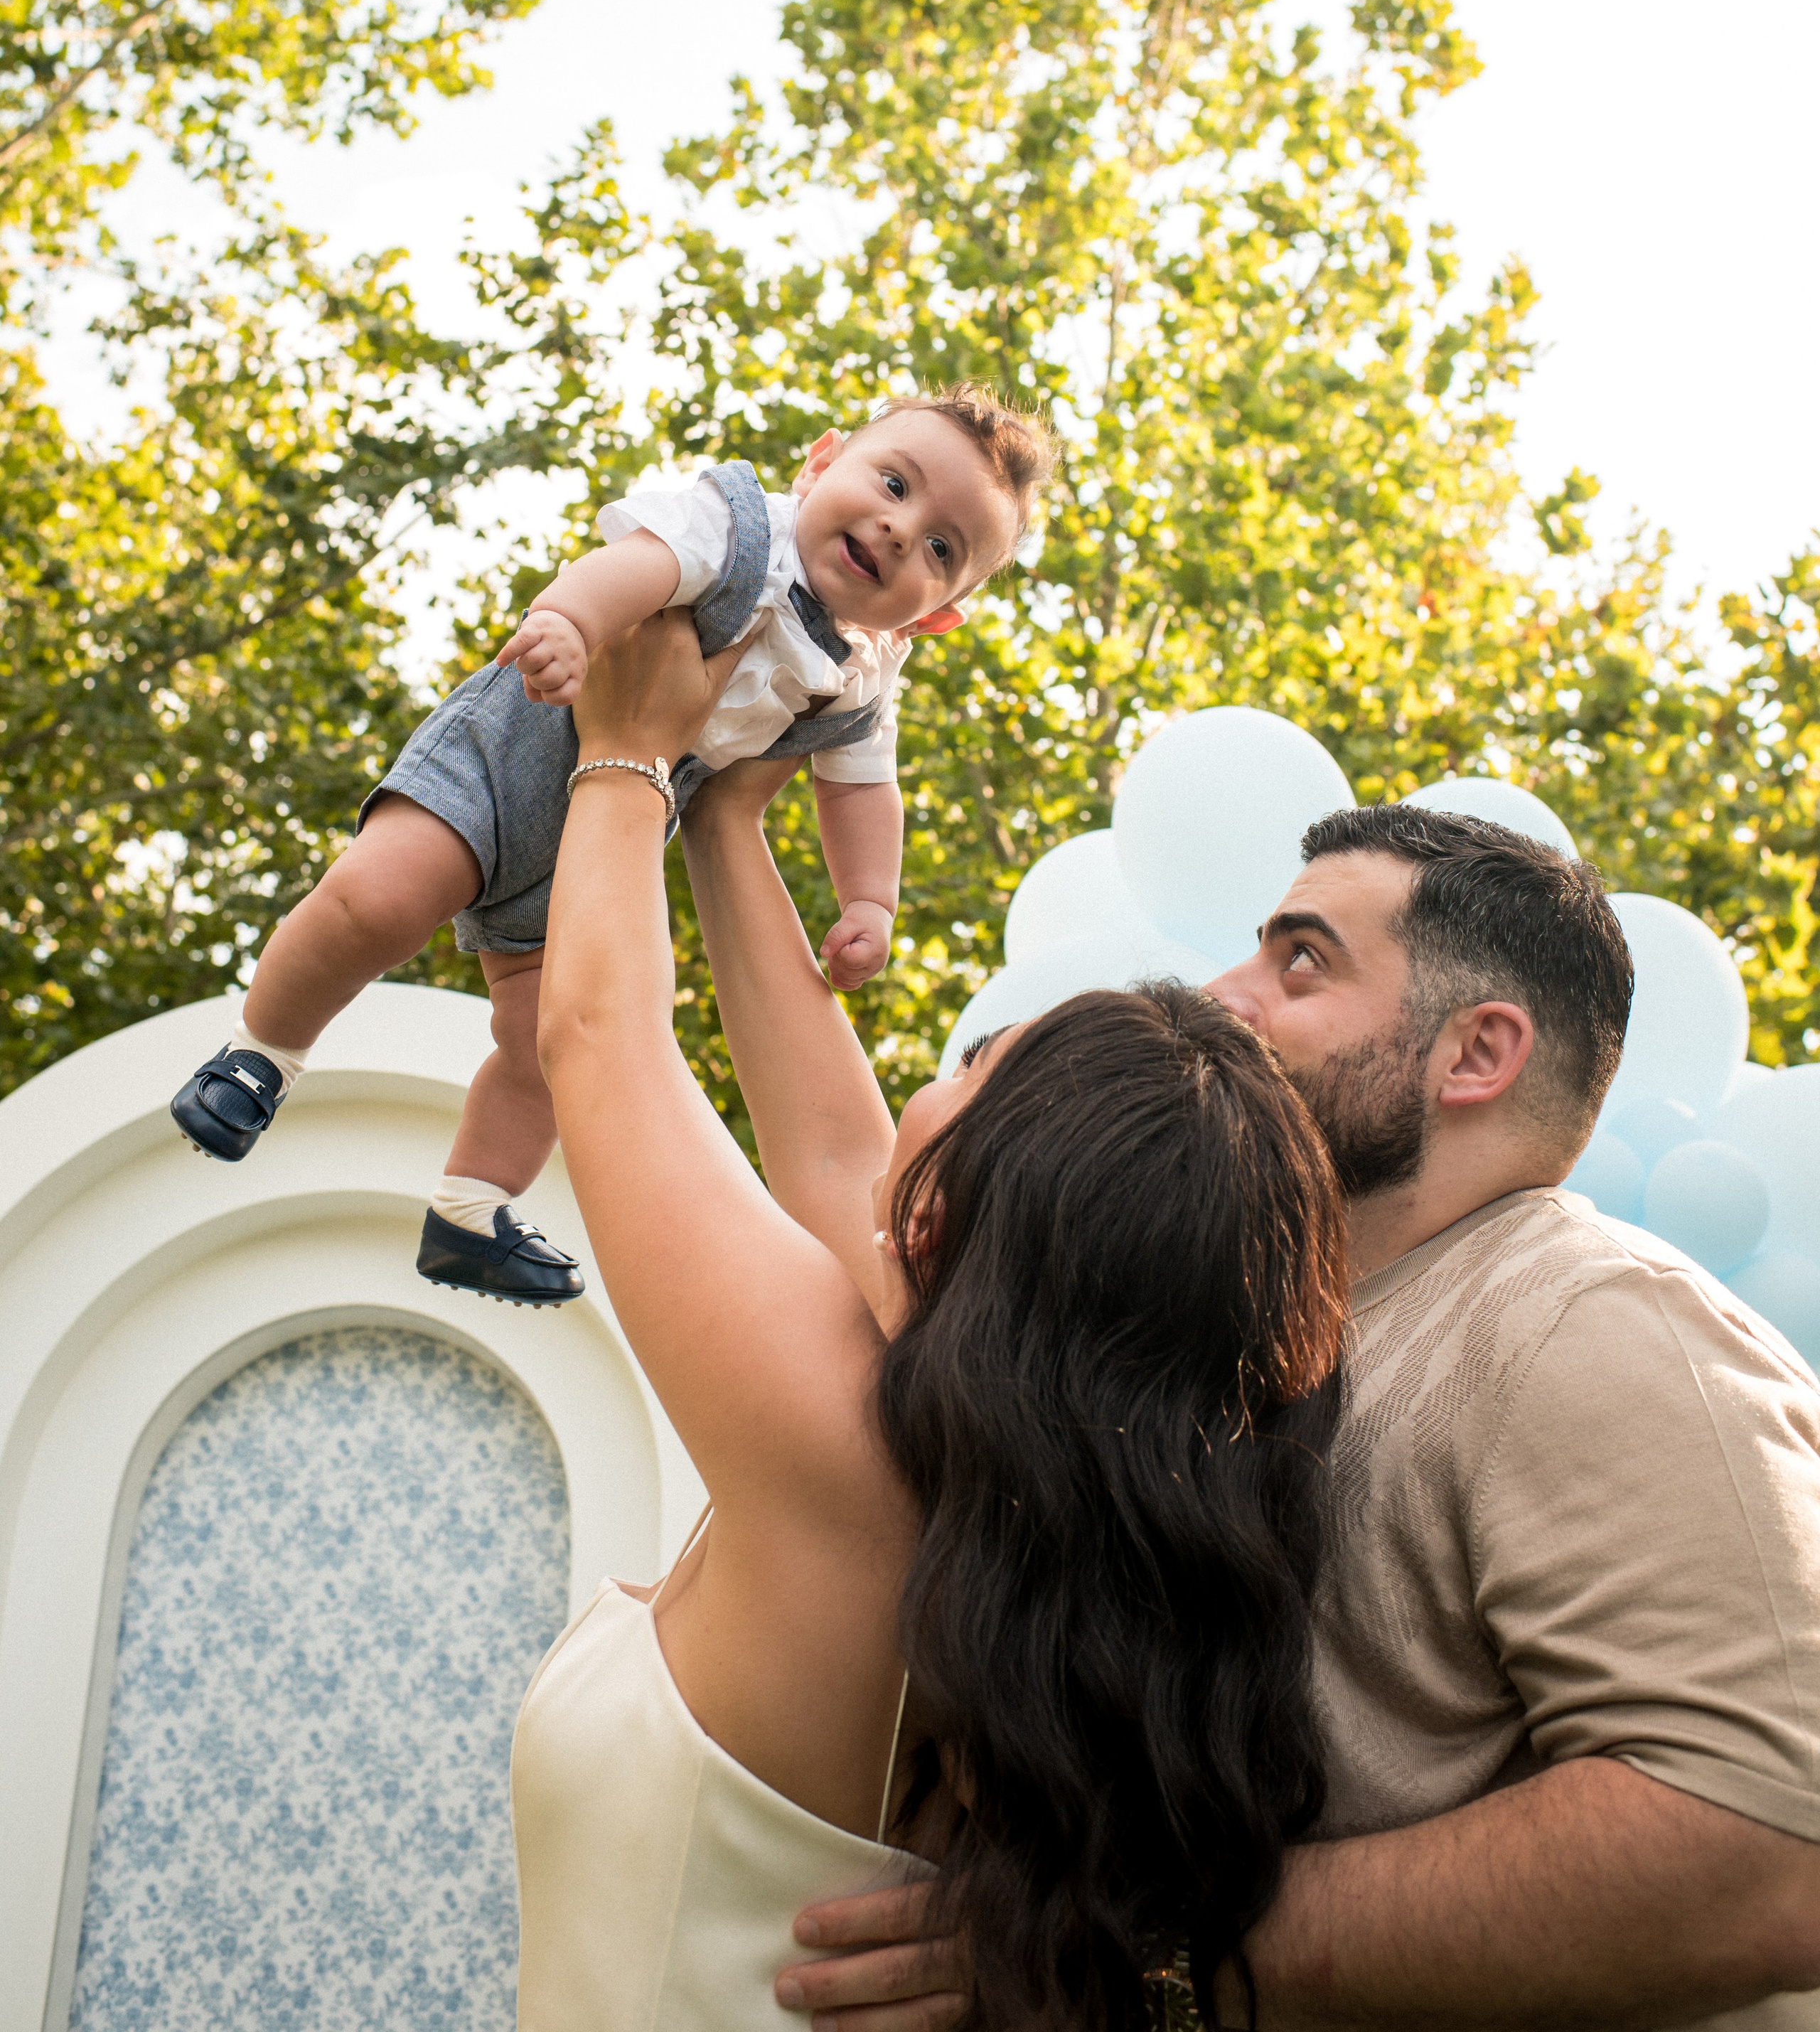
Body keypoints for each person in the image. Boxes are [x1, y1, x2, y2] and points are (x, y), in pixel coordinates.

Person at [779, 803, 1820, 2031]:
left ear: (1476, 1054)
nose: (1224, 995)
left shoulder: (1588, 1320)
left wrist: (1134, 1952)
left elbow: (1772, 1848)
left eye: (1303, 961)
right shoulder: (1254, 1330)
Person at [508, 615, 1352, 2028]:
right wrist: (726, 815)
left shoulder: (840, 1454)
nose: (918, 1087)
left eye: (970, 1063)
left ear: (953, 1212)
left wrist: (628, 751)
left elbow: (600, 1039)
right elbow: (839, 1154)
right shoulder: (1026, 1503)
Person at [166, 385, 1050, 1307]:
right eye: (895, 484)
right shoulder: (745, 530)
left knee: (548, 1046)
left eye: (943, 549)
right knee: (376, 902)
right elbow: (635, 567)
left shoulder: (863, 675)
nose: (902, 530)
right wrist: (570, 623)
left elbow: (863, 789)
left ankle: (470, 1212)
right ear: (821, 462)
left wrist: (870, 900)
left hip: (601, 844)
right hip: (508, 757)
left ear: (937, 615)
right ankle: (260, 1055)